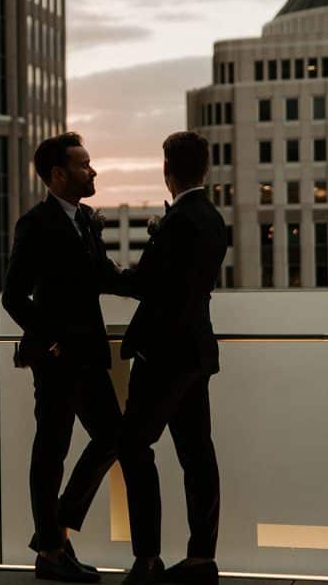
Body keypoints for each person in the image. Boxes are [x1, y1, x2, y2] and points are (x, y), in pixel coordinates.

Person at [2, 132, 126, 583]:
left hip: (90, 356)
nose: (93, 171)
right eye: (84, 164)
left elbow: (104, 277)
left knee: (114, 437)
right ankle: (52, 552)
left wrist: (159, 282)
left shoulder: (86, 221)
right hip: (56, 360)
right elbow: (13, 296)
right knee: (50, 451)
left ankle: (54, 533)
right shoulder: (34, 224)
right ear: (58, 174)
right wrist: (51, 342)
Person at [117, 131, 227, 585]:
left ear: (167, 170)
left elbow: (147, 285)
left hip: (163, 355)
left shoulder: (179, 221)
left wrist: (102, 273)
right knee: (197, 454)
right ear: (205, 168)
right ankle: (202, 557)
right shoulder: (213, 218)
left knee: (134, 447)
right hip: (196, 352)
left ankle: (147, 558)